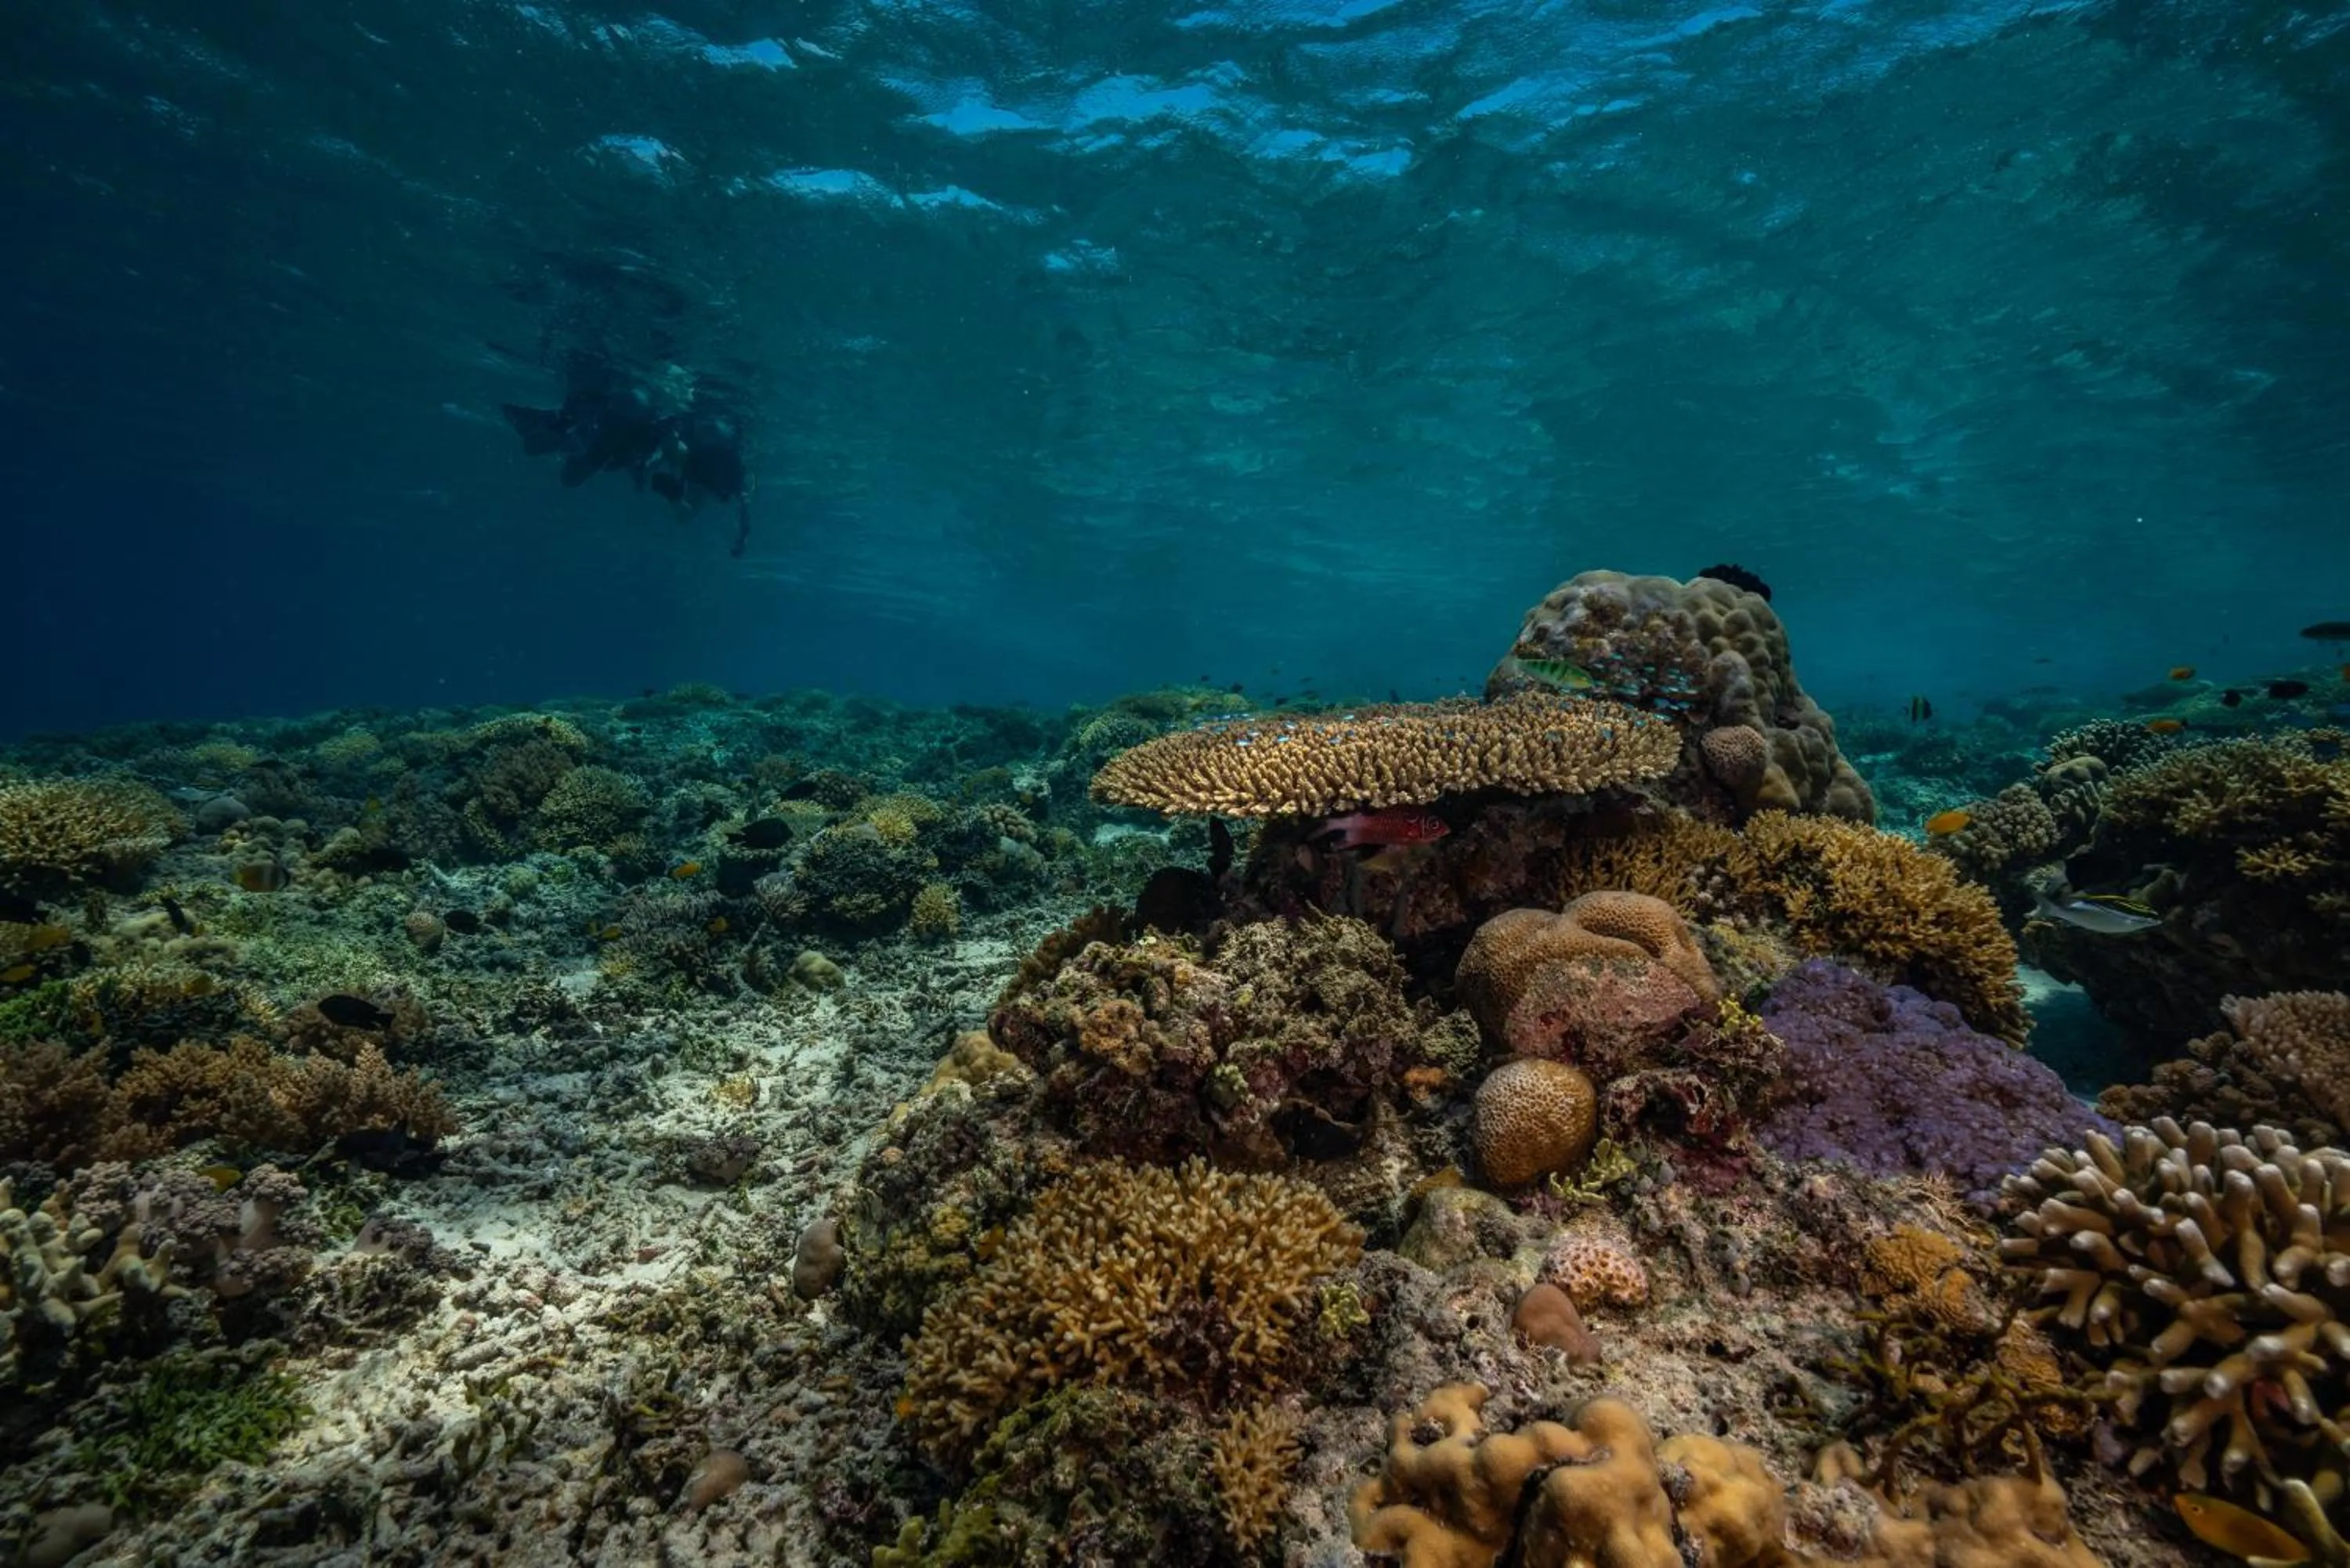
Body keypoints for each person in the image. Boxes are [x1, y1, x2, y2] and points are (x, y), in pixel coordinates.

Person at [503, 353, 754, 555]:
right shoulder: (717, 470)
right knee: (573, 470)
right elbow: (670, 460)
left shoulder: (710, 469)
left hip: (631, 429)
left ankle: (568, 428)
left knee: (570, 473)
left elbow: (681, 498)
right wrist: (660, 479)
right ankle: (569, 428)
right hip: (636, 430)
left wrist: (667, 487)